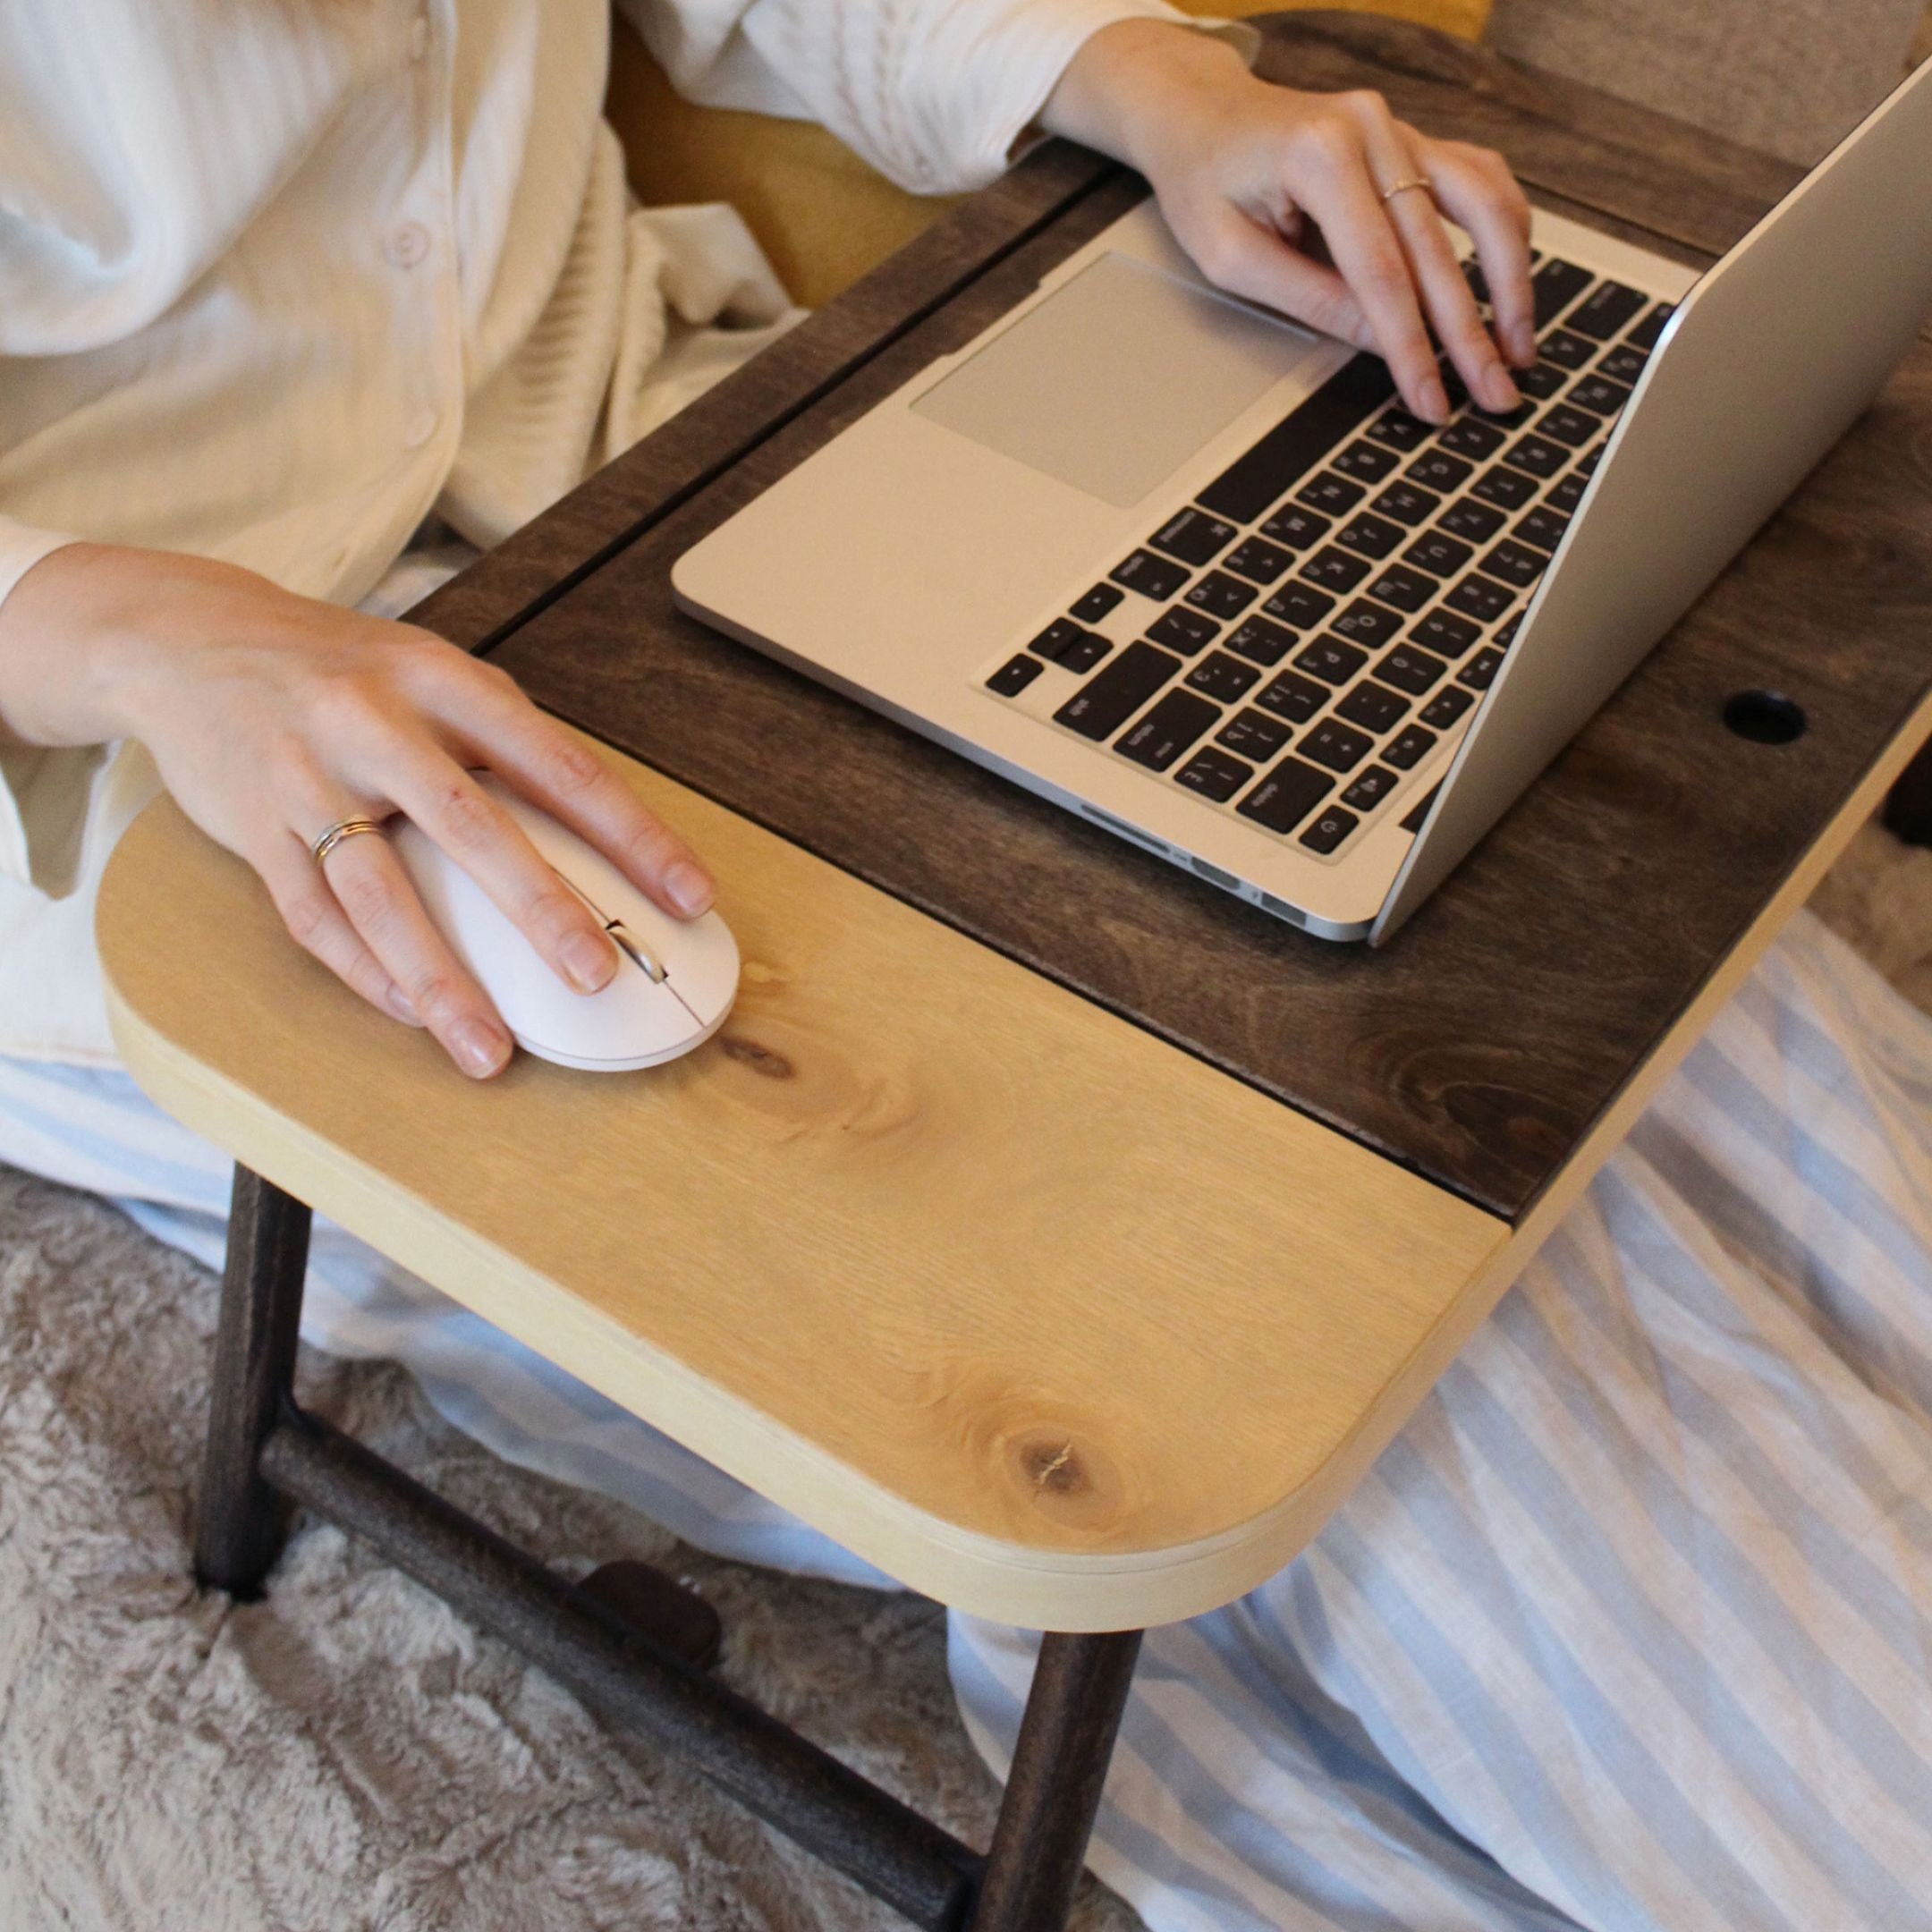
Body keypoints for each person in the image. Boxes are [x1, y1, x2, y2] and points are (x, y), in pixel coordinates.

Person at [3, 5, 1930, 1928]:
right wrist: (119, 623)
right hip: (160, 759)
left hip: (640, 481)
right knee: (1246, 1378)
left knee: (1632, 1028)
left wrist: (1153, 85)